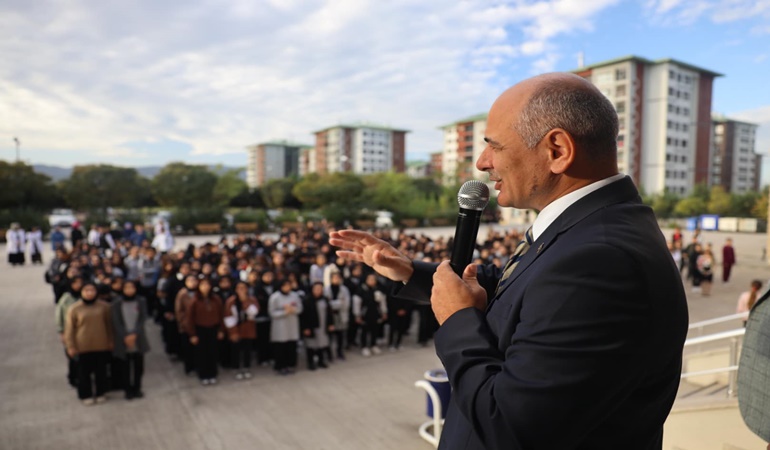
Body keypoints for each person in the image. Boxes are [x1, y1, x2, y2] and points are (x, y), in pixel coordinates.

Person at [331, 73, 689, 449]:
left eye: (494, 146)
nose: (482, 163)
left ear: (557, 150)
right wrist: (410, 271)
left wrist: (457, 320)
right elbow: (524, 292)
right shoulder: (591, 229)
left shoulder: (600, 260)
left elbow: (508, 426)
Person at [64, 282, 114, 406]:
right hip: (82, 346)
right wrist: (70, 345)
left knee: (101, 371)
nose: (90, 293)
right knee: (83, 373)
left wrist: (111, 340)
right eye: (86, 290)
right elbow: (69, 329)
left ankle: (101, 392)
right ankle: (85, 394)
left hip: (100, 344)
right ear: (82, 292)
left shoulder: (104, 307)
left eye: (92, 290)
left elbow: (109, 325)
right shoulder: (74, 308)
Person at [111, 280, 150, 399]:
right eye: (126, 288)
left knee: (138, 366)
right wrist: (125, 335)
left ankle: (137, 388)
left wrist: (134, 334)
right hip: (123, 339)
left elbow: (143, 318)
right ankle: (128, 390)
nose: (129, 290)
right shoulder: (117, 303)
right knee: (125, 366)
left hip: (138, 338)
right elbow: (116, 321)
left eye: (131, 287)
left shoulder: (141, 301)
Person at [187, 277, 224, 385]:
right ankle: (203, 375)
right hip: (200, 329)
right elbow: (190, 318)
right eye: (202, 285)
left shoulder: (216, 299)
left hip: (213, 328)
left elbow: (221, 315)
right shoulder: (194, 300)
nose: (205, 287)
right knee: (202, 353)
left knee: (213, 352)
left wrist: (221, 330)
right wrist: (192, 334)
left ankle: (213, 374)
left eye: (207, 285)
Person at [224, 281, 258, 380]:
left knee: (247, 350)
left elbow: (254, 312)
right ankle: (236, 368)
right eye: (239, 288)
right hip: (236, 329)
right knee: (236, 350)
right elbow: (228, 316)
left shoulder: (251, 299)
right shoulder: (231, 301)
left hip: (248, 328)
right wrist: (233, 332)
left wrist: (245, 301)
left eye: (243, 288)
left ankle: (246, 367)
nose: (241, 290)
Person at [269, 279, 303, 375]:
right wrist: (284, 312)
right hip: (280, 326)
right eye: (285, 286)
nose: (287, 288)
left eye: (289, 285)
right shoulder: (275, 297)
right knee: (280, 348)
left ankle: (290, 365)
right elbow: (272, 312)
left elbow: (300, 308)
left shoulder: (294, 296)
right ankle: (280, 366)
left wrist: (293, 310)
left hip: (292, 325)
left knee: (291, 346)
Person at [55, 276, 84, 388]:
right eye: (75, 283)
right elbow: (59, 316)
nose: (78, 285)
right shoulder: (66, 299)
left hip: (83, 332)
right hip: (70, 332)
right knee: (73, 357)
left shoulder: (84, 296)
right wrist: (61, 332)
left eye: (80, 283)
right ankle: (73, 378)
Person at [352, 273, 388, 357]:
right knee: (364, 331)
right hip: (364, 314)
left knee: (375, 330)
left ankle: (373, 345)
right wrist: (357, 315)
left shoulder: (378, 290)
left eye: (373, 280)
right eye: (370, 279)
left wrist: (384, 312)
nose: (372, 281)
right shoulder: (361, 290)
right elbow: (356, 303)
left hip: (375, 313)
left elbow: (382, 302)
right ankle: (364, 347)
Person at [300, 282, 334, 370]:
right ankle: (310, 363)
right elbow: (303, 316)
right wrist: (305, 328)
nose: (319, 291)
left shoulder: (325, 299)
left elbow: (329, 313)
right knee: (311, 346)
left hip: (323, 326)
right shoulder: (306, 300)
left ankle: (321, 361)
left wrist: (330, 324)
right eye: (317, 289)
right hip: (311, 326)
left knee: (321, 345)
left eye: (320, 289)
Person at [325, 271, 351, 360]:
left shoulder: (344, 289)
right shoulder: (326, 289)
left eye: (338, 277)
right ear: (331, 279)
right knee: (330, 337)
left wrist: (334, 304)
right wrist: (339, 302)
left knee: (340, 336)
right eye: (334, 277)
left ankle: (340, 352)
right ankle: (330, 355)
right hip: (330, 316)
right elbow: (327, 305)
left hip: (341, 315)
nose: (336, 279)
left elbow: (346, 304)